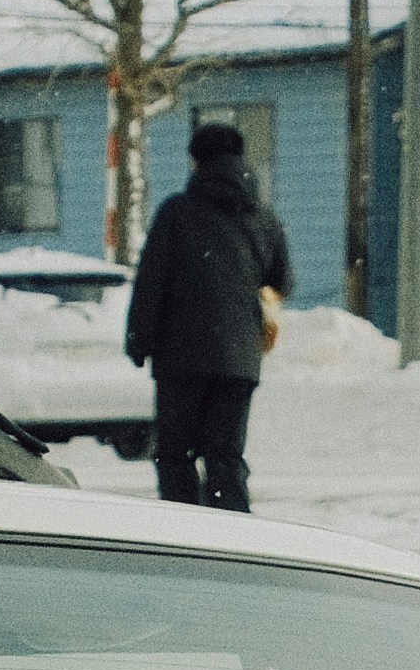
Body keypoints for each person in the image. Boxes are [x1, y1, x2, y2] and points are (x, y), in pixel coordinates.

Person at [119, 116, 294, 510]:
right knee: (226, 456)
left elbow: (151, 283)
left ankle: (185, 534)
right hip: (238, 360)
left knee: (175, 453)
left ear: (195, 162)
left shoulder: (176, 213)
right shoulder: (263, 218)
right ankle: (230, 538)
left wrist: (139, 340)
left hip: (180, 358)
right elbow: (282, 280)